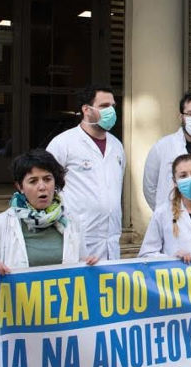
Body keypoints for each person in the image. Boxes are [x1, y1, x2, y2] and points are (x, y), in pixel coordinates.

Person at [0, 150, 98, 367]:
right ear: (19, 186)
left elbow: (79, 263)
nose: (42, 187)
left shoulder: (71, 223)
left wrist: (89, 266)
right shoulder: (0, 225)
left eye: (48, 179)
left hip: (60, 330)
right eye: (33, 181)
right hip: (21, 332)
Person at [46, 84, 125, 260]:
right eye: (104, 106)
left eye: (113, 106)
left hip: (111, 240)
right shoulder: (63, 143)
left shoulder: (117, 146)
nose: (111, 111)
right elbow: (48, 188)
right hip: (78, 237)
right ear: (86, 109)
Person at [143, 92, 191, 210]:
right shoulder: (161, 147)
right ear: (181, 117)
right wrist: (163, 214)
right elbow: (149, 187)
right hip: (170, 216)